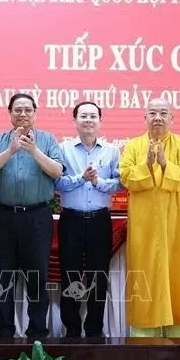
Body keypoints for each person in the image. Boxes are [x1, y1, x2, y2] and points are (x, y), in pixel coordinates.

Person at [0, 93, 64, 337]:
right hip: (5, 217)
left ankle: (37, 332)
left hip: (37, 217)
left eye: (28, 110)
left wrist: (34, 150)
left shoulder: (47, 140)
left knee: (37, 276)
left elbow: (57, 171)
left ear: (35, 113)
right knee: (2, 278)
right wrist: (11, 150)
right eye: (18, 110)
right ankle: (3, 333)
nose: (23, 114)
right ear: (9, 114)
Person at [118, 98, 180, 337]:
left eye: (163, 113)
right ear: (145, 118)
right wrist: (147, 164)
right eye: (152, 113)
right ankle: (143, 334)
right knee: (144, 275)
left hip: (172, 224)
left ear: (172, 118)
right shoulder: (133, 146)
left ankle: (179, 334)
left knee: (176, 274)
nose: (158, 118)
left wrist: (164, 163)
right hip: (143, 225)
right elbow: (126, 178)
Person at [54, 101, 122, 337]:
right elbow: (56, 182)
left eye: (93, 116)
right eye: (83, 116)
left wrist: (97, 182)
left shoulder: (112, 151)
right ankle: (71, 330)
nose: (88, 120)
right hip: (71, 220)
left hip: (100, 221)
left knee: (98, 276)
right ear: (74, 121)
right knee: (69, 274)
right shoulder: (63, 149)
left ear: (100, 121)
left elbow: (120, 183)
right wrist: (81, 179)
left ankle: (94, 330)